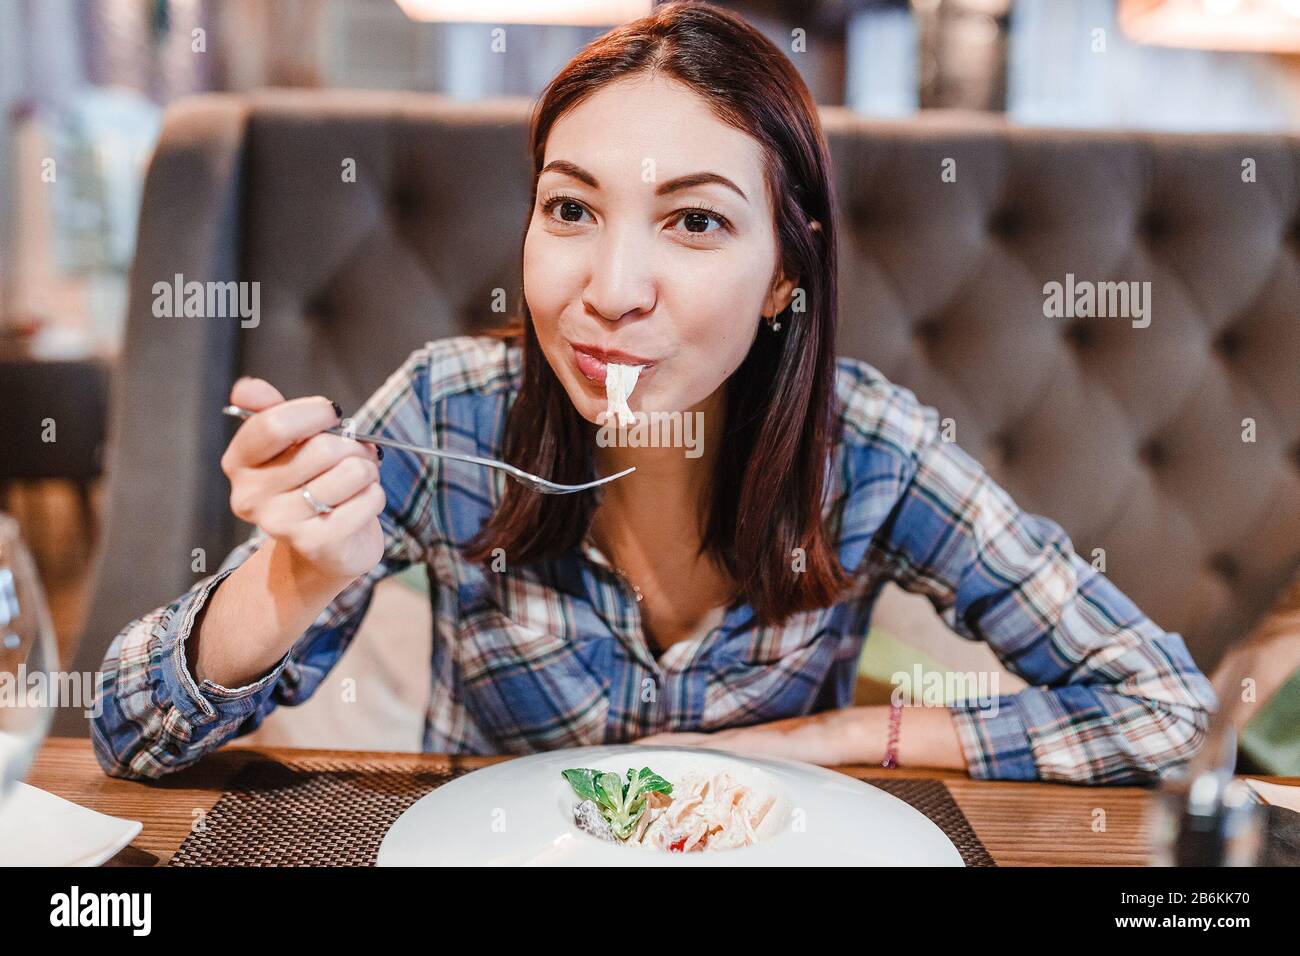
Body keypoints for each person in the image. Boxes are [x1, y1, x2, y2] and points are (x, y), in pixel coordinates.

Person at [91, 1, 1215, 784]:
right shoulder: (448, 414)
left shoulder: (868, 454)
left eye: (694, 221)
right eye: (571, 210)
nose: (610, 291)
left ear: (785, 271)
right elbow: (126, 734)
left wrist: (827, 740)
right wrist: (290, 581)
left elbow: (1162, 709)